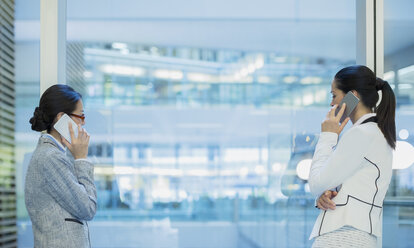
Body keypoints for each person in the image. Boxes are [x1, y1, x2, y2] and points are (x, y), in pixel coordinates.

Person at [308, 65, 396, 247]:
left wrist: (327, 136)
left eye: (334, 95)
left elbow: (316, 183)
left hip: (343, 235)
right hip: (357, 235)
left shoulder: (361, 134)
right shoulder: (377, 133)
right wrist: (327, 193)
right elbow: (347, 184)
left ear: (352, 96)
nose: (332, 103)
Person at [25, 84, 97, 248]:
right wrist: (81, 159)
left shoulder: (53, 155)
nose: (83, 124)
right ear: (61, 118)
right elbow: (88, 208)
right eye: (81, 116)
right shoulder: (51, 158)